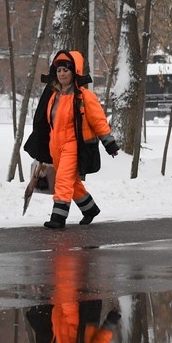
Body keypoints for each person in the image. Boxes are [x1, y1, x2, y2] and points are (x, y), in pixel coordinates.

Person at [24, 49, 120, 229]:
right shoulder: (53, 95)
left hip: (73, 146)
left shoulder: (84, 96)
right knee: (71, 182)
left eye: (65, 70)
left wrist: (110, 143)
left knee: (63, 180)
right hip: (56, 146)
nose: (62, 74)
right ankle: (90, 209)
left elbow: (99, 121)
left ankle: (58, 218)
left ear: (74, 72)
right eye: (59, 70)